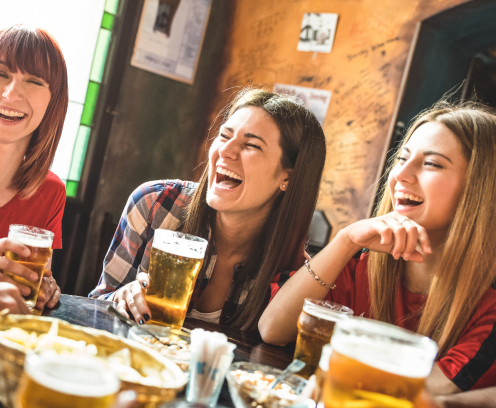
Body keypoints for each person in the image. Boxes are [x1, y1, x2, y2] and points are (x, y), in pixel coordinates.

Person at [259, 101, 496, 403]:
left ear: (480, 189)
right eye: (403, 158)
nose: (401, 175)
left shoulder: (489, 306)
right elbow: (272, 330)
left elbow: (416, 395)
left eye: (432, 163)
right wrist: (345, 240)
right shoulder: (362, 263)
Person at [90, 88, 327, 330]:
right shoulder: (155, 204)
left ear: (289, 177)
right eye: (225, 136)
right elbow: (95, 306)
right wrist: (119, 299)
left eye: (252, 145)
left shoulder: (297, 275)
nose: (225, 151)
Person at [0, 24, 68, 310]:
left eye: (34, 81)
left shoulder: (50, 192)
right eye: (1, 74)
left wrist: (42, 286)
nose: (10, 94)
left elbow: (25, 292)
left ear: (53, 102)